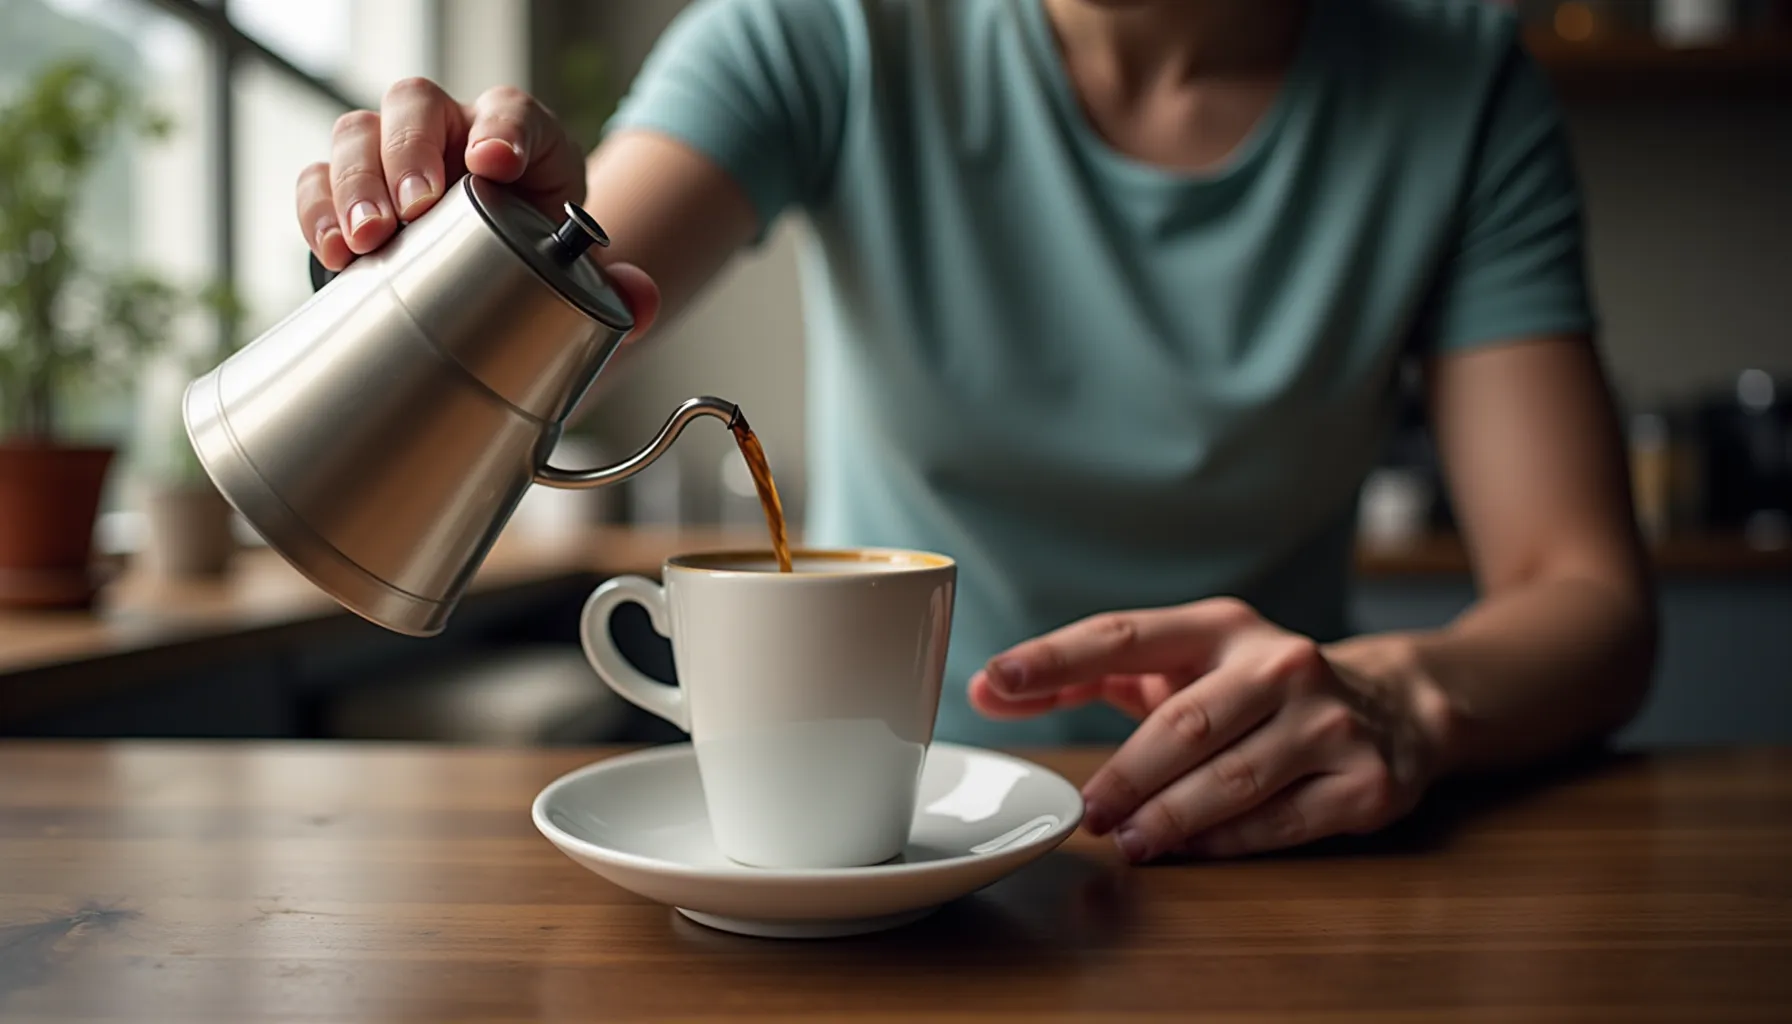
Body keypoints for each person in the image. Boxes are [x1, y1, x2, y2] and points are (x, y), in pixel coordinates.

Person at [295, 0, 1657, 864]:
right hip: (883, 847)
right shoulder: (827, 30)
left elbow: (1587, 597)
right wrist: (450, 247)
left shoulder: (1462, 82)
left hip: (1255, 832)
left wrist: (1400, 700)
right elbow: (546, 323)